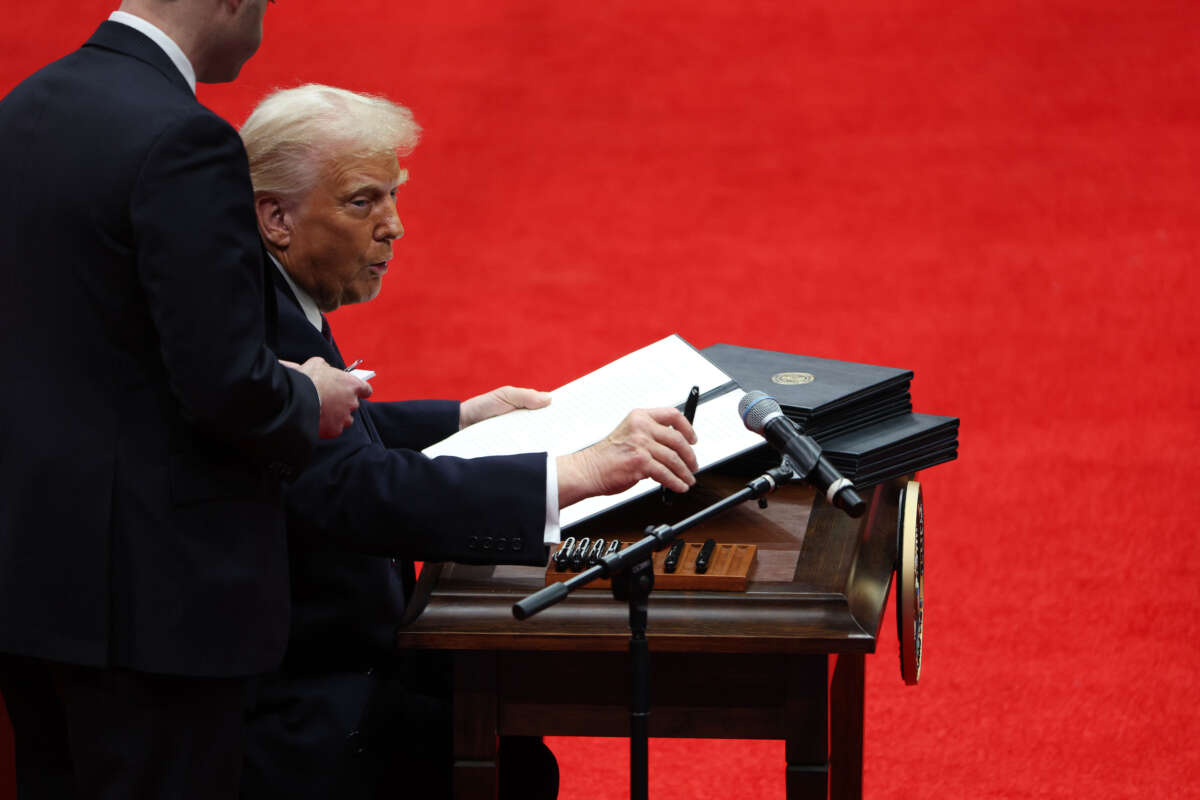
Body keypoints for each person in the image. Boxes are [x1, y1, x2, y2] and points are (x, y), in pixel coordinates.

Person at [236, 84, 699, 799]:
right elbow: (353, 489)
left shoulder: (271, 296)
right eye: (363, 202)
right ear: (277, 218)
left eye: (394, 196)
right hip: (301, 703)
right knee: (510, 763)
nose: (393, 226)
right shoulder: (259, 331)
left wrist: (459, 419)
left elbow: (337, 441)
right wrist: (577, 471)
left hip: (341, 652)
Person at [0, 3, 370, 799]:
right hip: (154, 611)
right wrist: (309, 395)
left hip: (29, 580)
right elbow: (226, 380)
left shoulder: (21, 107)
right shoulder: (185, 139)